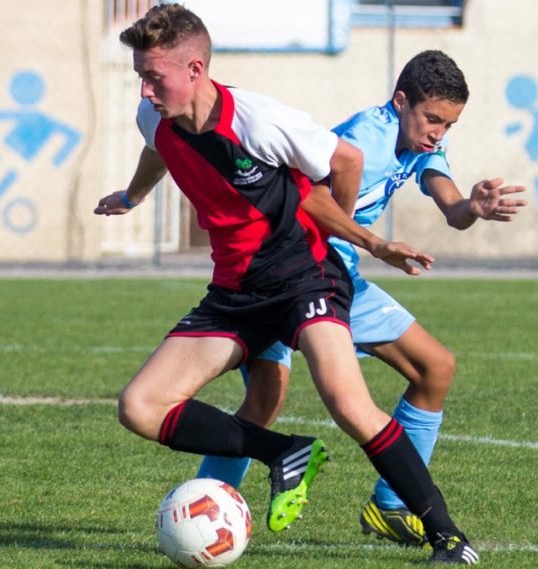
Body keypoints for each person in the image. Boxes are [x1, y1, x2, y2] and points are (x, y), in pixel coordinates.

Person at [96, 6, 479, 565]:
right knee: (140, 405)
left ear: (196, 68)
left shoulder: (256, 119)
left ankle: (448, 536)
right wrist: (133, 196)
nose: (146, 89)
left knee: (349, 403)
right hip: (235, 293)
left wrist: (350, 244)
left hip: (304, 280)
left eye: (155, 76)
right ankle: (286, 453)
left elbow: (344, 161)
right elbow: (157, 148)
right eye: (142, 76)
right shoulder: (155, 114)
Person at [197, 50, 527, 548]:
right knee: (265, 397)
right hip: (283, 270)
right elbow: (310, 197)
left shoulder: (420, 141)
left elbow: (451, 206)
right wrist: (373, 243)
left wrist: (472, 206)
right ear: (400, 102)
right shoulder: (362, 140)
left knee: (434, 368)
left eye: (449, 124)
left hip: (338, 277)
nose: (439, 132)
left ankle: (391, 505)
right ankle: (204, 510)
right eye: (433, 119)